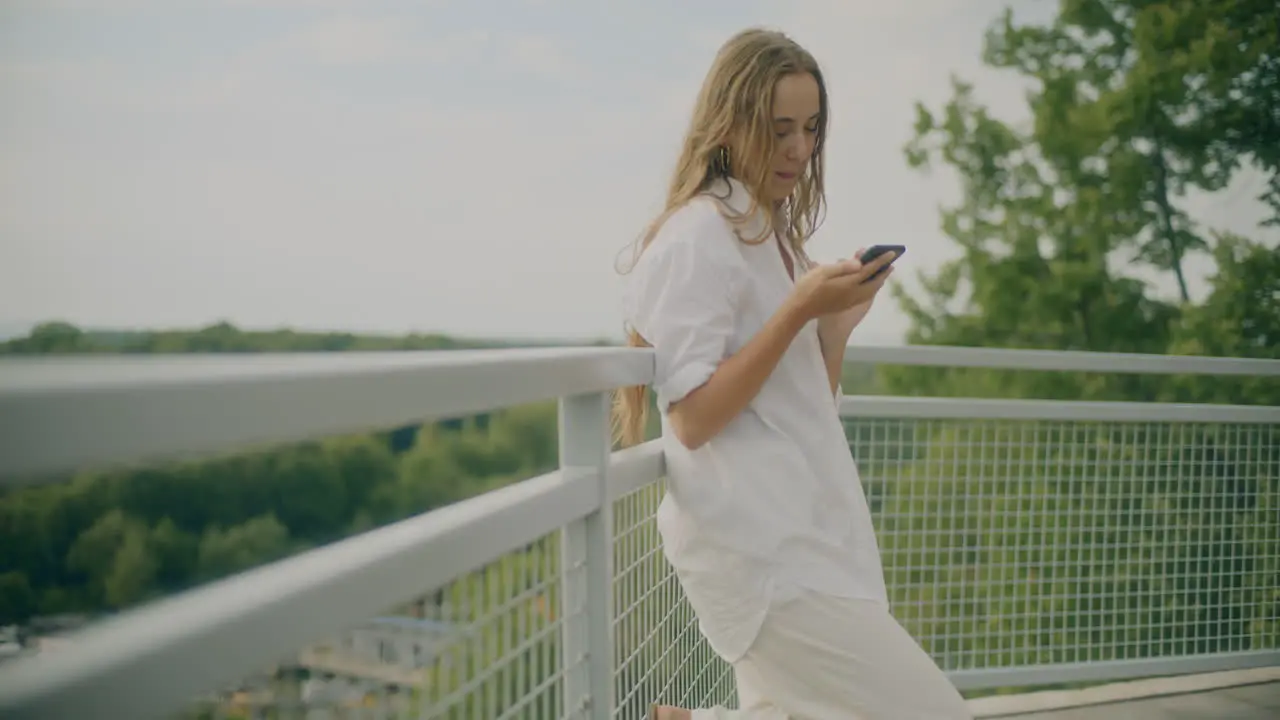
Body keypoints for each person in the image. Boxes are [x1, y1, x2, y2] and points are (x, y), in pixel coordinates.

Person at [613, 27, 972, 720]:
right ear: (731, 123)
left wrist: (832, 329)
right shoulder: (696, 239)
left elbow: (801, 407)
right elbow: (691, 419)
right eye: (779, 129)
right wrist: (799, 307)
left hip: (809, 539)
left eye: (810, 129)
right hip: (765, 559)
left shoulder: (768, 235)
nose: (799, 150)